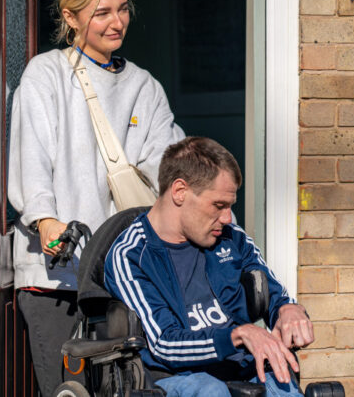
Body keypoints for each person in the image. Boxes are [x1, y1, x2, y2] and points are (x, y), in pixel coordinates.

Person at [7, 0, 184, 396]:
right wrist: (45, 219)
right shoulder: (47, 74)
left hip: (122, 277)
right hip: (58, 278)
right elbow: (32, 157)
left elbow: (171, 169)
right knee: (70, 390)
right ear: (71, 17)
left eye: (122, 9)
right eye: (102, 12)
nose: (117, 22)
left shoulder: (145, 87)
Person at [104, 137, 314, 397]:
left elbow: (273, 293)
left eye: (230, 206)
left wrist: (288, 310)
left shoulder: (232, 239)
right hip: (174, 377)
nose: (227, 218)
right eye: (218, 205)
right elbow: (164, 344)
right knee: (210, 390)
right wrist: (237, 336)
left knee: (283, 383)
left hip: (244, 369)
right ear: (180, 191)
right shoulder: (132, 255)